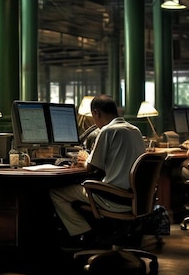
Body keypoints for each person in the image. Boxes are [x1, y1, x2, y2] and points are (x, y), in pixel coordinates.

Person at [49, 94, 146, 250]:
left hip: (113, 197)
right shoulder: (135, 130)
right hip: (135, 198)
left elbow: (91, 167)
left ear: (96, 113)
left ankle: (84, 235)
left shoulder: (107, 131)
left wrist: (86, 157)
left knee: (57, 192)